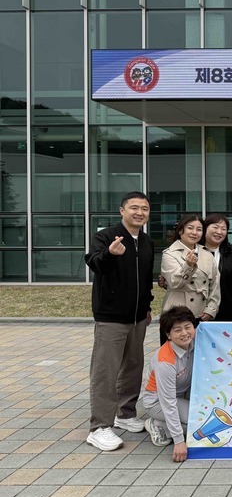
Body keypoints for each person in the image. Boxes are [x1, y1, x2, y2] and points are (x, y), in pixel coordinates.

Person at [84, 191, 154, 451]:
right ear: (122, 210)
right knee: (106, 371)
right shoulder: (106, 236)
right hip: (111, 317)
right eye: (134, 207)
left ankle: (125, 414)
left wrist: (146, 307)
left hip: (138, 317)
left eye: (144, 208)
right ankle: (99, 427)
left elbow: (145, 279)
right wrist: (110, 254)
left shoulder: (146, 242)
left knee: (133, 367)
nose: (139, 212)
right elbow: (94, 262)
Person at [142, 306, 196, 462]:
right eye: (177, 330)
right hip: (158, 402)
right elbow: (168, 402)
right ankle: (159, 425)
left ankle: (166, 423)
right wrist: (179, 441)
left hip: (182, 395)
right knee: (199, 423)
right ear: (168, 335)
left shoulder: (195, 344)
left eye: (188, 327)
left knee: (203, 416)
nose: (184, 333)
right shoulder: (165, 360)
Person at [161, 214, 220, 343]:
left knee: (199, 352)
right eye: (190, 228)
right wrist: (188, 265)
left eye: (199, 229)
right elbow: (175, 282)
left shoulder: (207, 254)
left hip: (201, 314)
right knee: (175, 353)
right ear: (180, 230)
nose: (194, 232)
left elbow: (215, 285)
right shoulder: (169, 254)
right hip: (176, 315)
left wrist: (211, 309)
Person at [202, 213, 232, 321]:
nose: (219, 232)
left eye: (223, 229)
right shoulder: (195, 251)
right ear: (205, 228)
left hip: (227, 309)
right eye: (215, 227)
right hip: (200, 307)